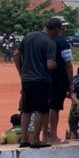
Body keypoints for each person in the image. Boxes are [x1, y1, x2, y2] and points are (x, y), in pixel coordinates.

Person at [14, 17, 61, 148]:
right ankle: (35, 139)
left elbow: (16, 55)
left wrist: (22, 74)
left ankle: (24, 139)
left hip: (27, 79)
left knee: (26, 109)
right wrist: (56, 65)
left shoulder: (29, 36)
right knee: (41, 110)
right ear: (56, 29)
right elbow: (50, 64)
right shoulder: (50, 42)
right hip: (42, 80)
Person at [46, 17, 74, 145]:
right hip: (58, 78)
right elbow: (68, 65)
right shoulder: (62, 42)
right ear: (59, 28)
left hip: (42, 78)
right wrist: (71, 83)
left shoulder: (41, 39)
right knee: (55, 108)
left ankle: (44, 135)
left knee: (43, 108)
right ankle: (53, 136)